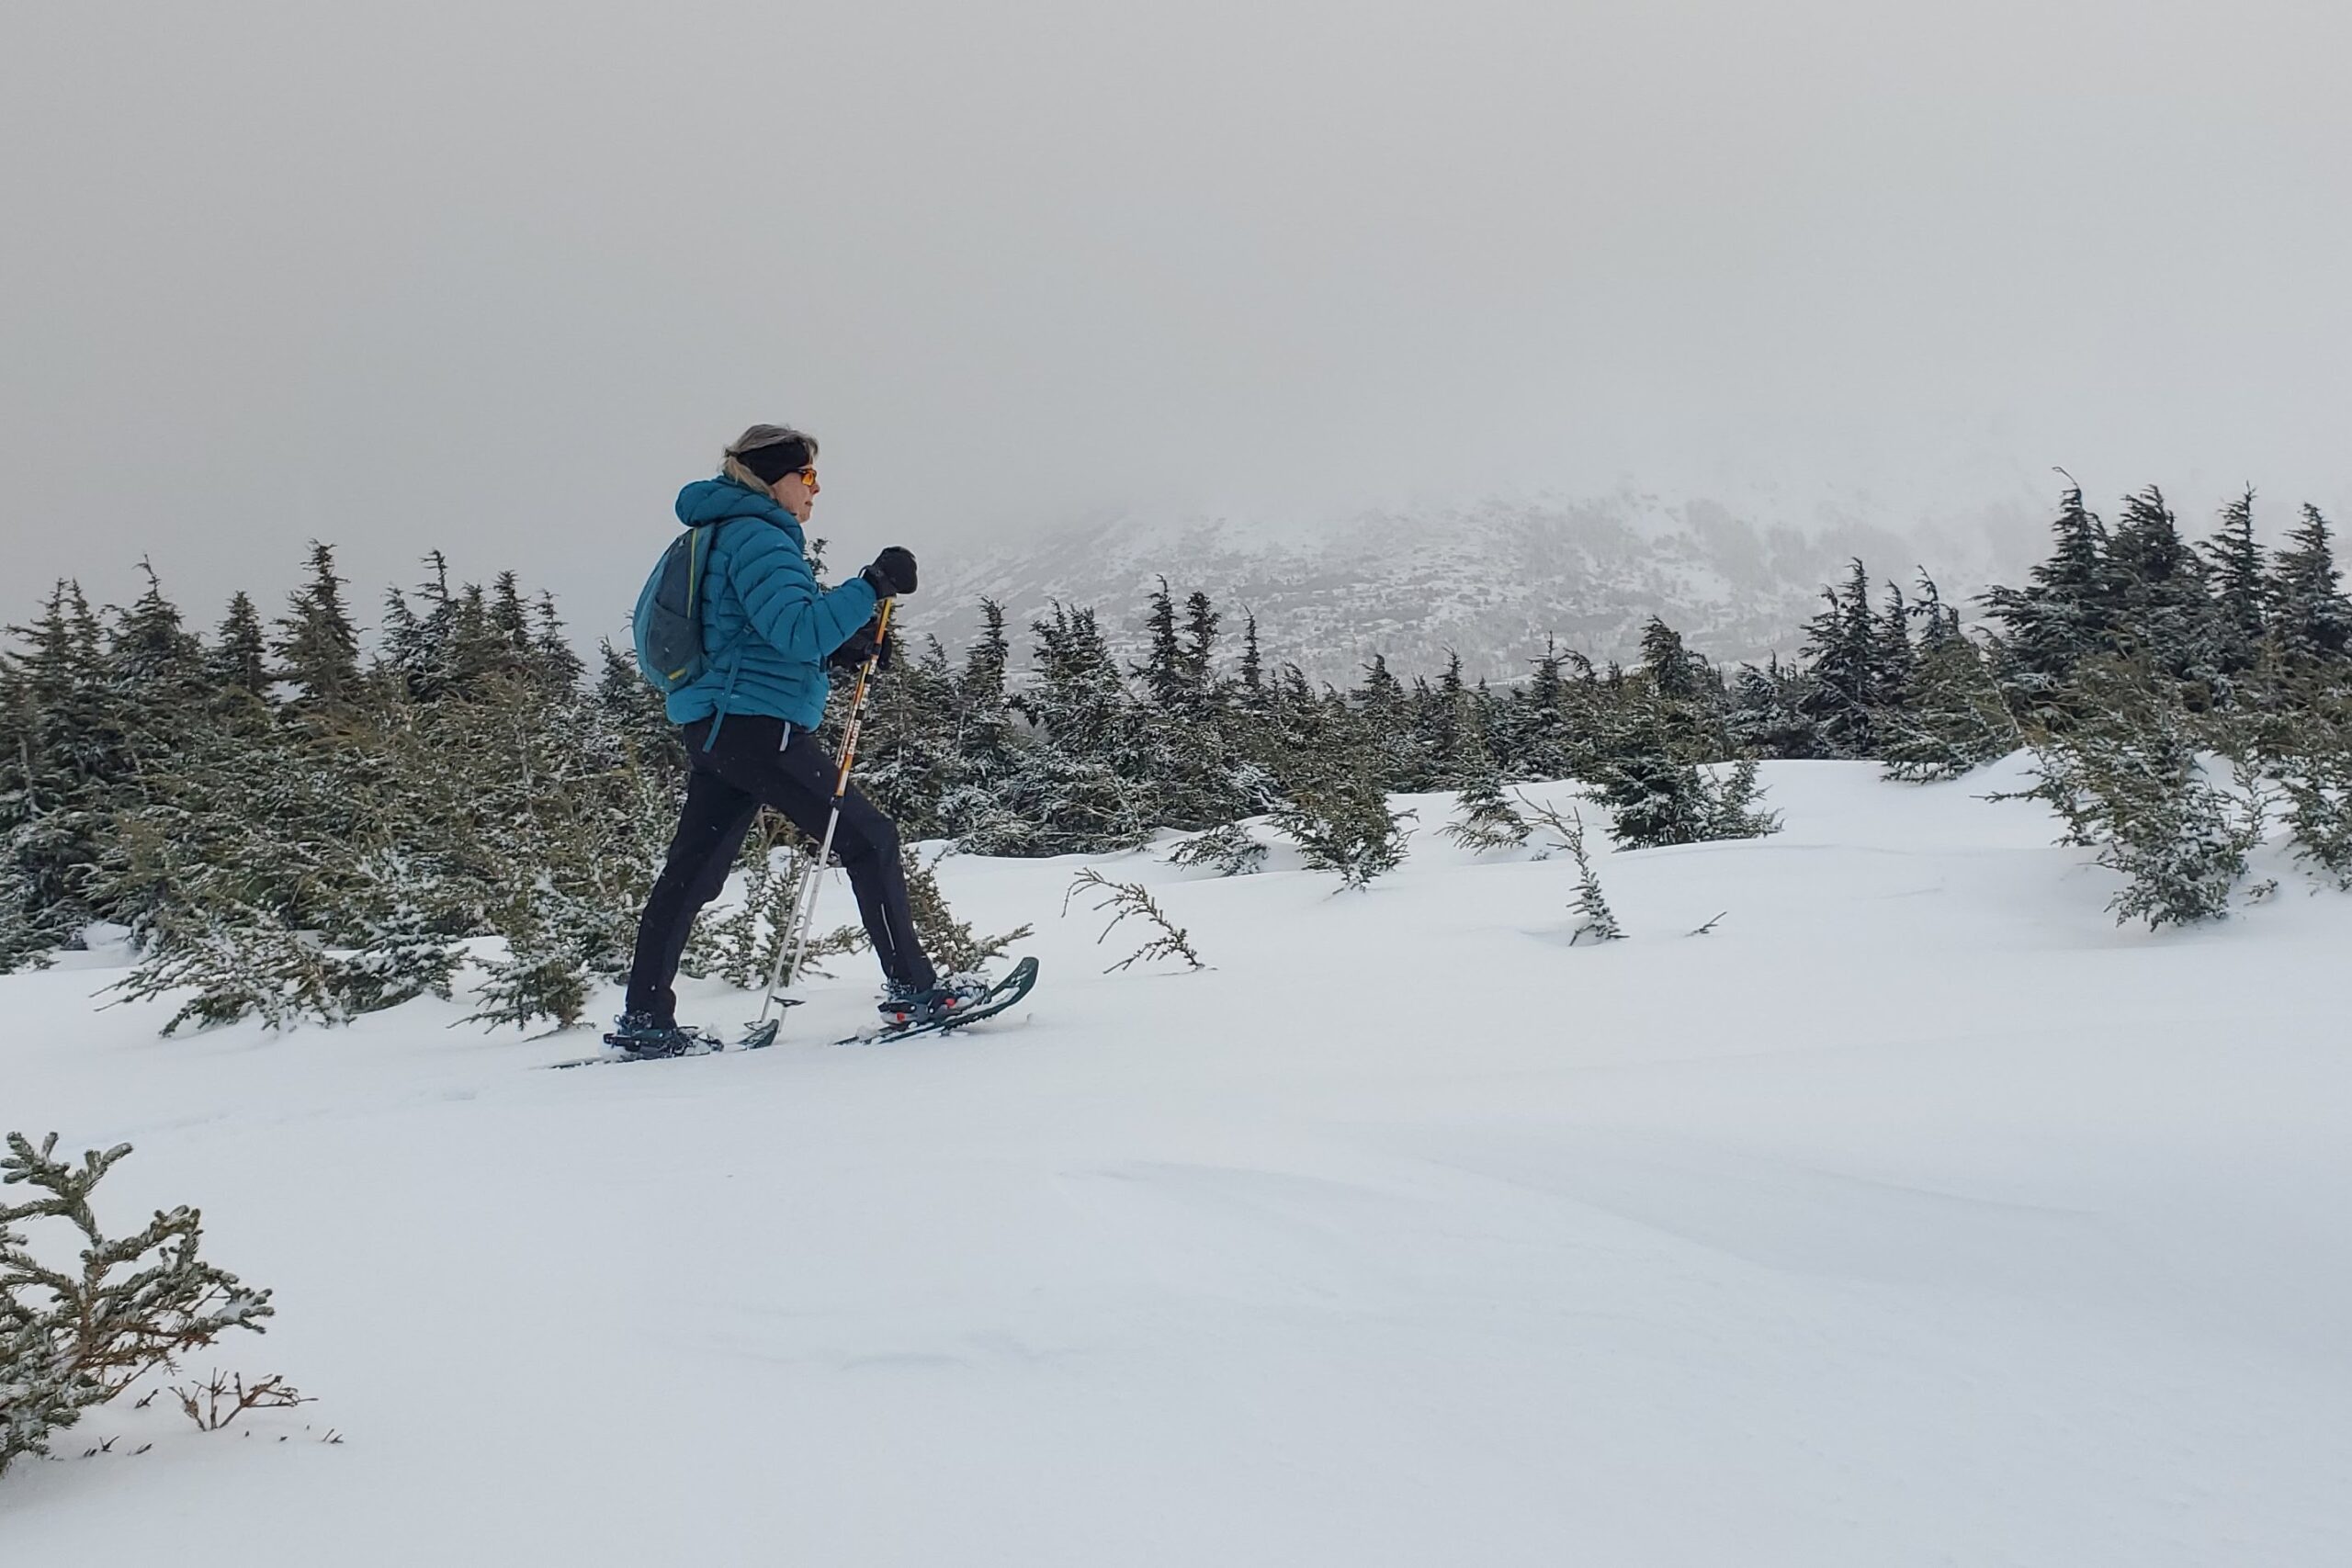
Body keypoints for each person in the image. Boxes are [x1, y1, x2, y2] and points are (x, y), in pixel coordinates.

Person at [612, 423, 967, 1056]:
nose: (815, 489)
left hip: (721, 726)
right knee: (869, 838)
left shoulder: (722, 532)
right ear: (774, 478)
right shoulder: (760, 538)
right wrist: (870, 587)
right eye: (806, 477)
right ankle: (914, 988)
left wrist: (844, 644)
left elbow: (758, 638)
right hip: (756, 728)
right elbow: (799, 632)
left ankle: (646, 1015)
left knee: (691, 873)